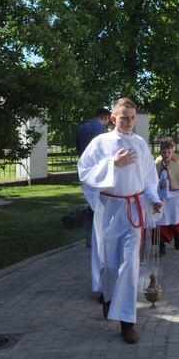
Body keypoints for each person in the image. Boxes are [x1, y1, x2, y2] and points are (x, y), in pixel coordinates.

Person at [77, 98, 162, 344]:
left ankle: (127, 322)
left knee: (130, 266)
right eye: (124, 117)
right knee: (109, 264)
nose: (129, 122)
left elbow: (148, 178)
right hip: (109, 209)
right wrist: (112, 164)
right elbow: (84, 173)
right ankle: (109, 296)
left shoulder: (140, 144)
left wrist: (154, 198)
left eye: (132, 117)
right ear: (113, 118)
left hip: (133, 211)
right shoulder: (100, 143)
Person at [75, 108, 111, 302]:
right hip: (99, 185)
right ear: (107, 118)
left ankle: (105, 284)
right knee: (101, 238)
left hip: (92, 185)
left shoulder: (81, 129)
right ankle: (104, 286)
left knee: (96, 223)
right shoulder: (101, 137)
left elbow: (80, 156)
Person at [155, 140, 179, 254]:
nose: (166, 154)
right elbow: (151, 182)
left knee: (174, 220)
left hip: (174, 199)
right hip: (161, 198)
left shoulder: (178, 168)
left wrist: (168, 184)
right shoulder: (156, 166)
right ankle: (161, 246)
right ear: (160, 153)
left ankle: (177, 237)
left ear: (172, 153)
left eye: (168, 152)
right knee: (160, 222)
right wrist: (158, 184)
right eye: (164, 152)